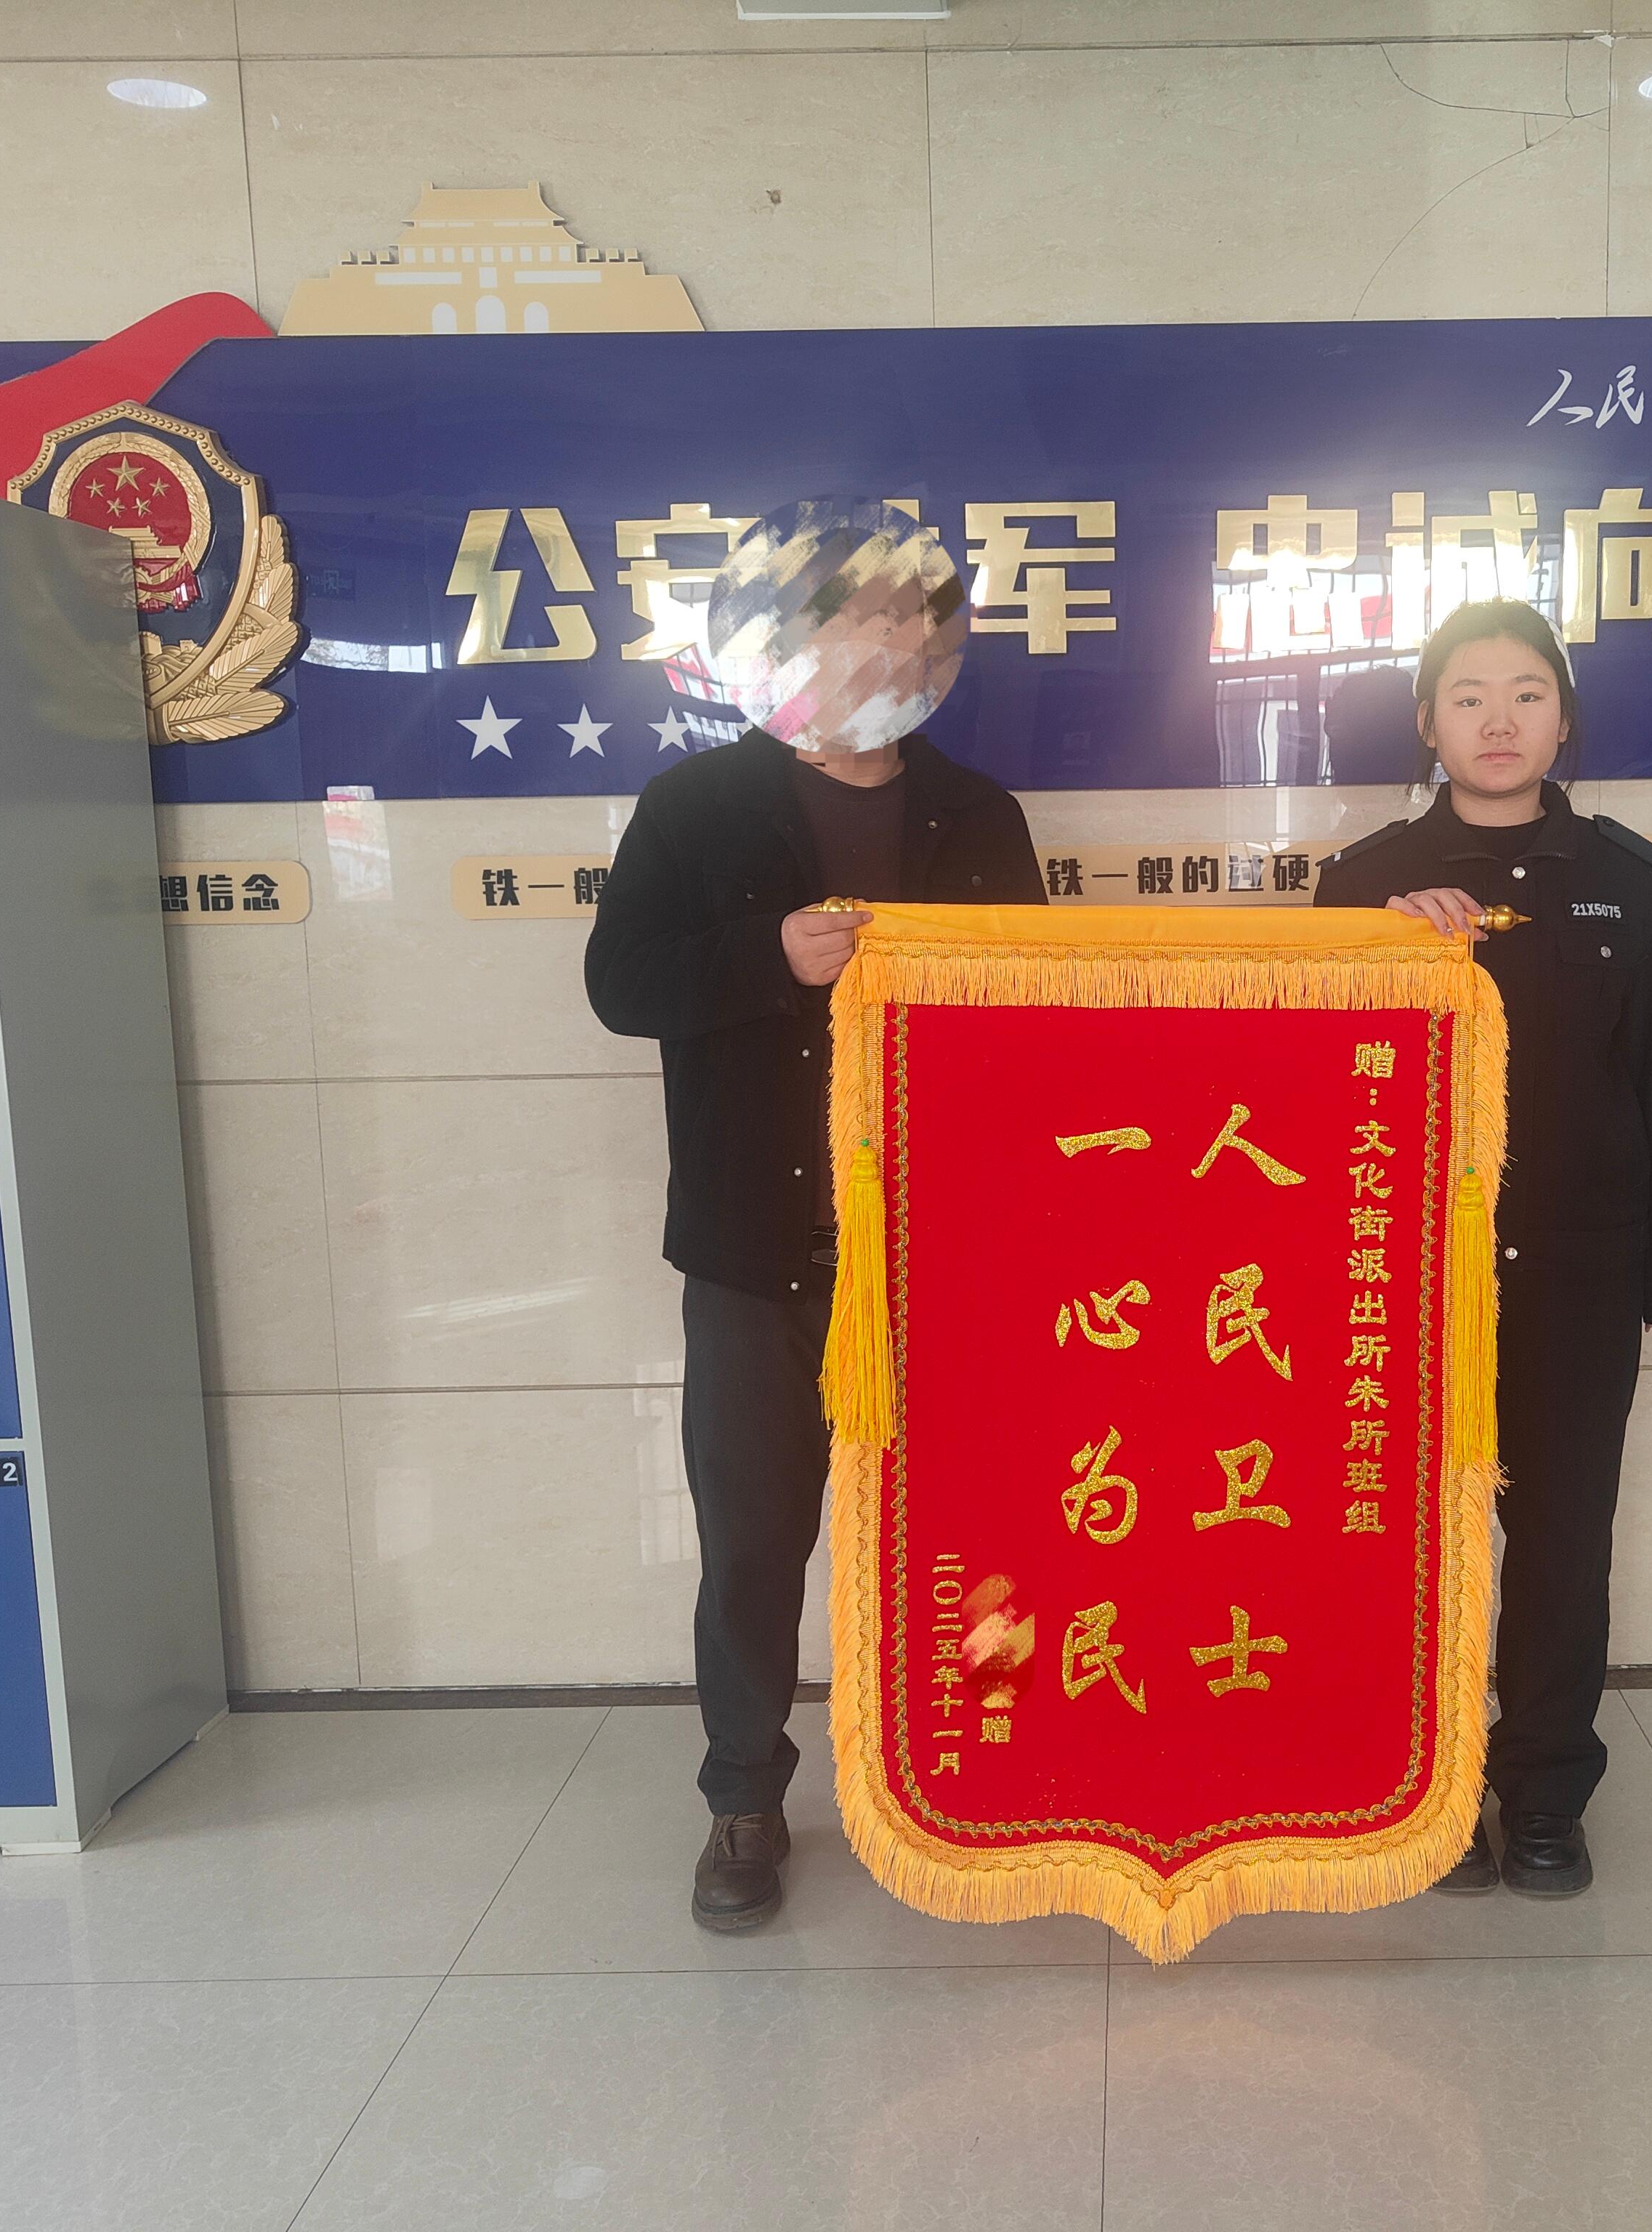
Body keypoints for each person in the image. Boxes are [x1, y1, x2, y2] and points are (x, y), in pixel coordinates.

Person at [586, 501, 1046, 1932]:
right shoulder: (696, 805)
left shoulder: (979, 813)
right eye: (854, 619)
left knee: (974, 1529)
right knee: (753, 1537)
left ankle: (982, 1769)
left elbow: (1042, 1014)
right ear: (786, 639)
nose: (885, 646)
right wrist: (766, 956)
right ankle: (742, 1797)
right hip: (755, 1250)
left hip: (947, 1251)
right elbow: (621, 987)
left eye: (913, 622)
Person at [1313, 598, 1652, 1899]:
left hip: (1579, 1268)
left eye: (1527, 694)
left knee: (1562, 1537)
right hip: (1404, 1274)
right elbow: (1307, 1092)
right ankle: (1425, 1790)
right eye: (1470, 697)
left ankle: (1544, 1790)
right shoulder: (1362, 881)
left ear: (1563, 719)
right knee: (1410, 1534)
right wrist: (1385, 950)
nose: (1500, 721)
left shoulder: (1624, 879)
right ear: (1427, 724)